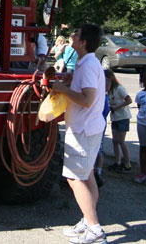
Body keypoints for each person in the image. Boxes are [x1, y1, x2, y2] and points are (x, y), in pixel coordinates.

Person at [50, 23, 107, 244]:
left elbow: (87, 99)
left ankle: (94, 229)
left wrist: (62, 89)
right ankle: (87, 220)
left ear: (83, 42)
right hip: (86, 127)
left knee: (75, 178)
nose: (72, 36)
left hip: (84, 129)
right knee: (87, 175)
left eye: (76, 34)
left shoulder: (89, 65)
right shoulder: (86, 63)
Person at [106, 70, 133, 172]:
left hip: (123, 118)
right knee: (114, 141)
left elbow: (129, 100)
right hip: (115, 118)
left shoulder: (119, 89)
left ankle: (127, 164)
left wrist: (116, 107)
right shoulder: (108, 91)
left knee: (121, 140)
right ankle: (117, 162)